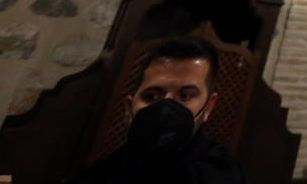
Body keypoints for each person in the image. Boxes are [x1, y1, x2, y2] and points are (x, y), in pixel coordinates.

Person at [66, 36, 246, 184]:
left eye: (185, 96)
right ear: (129, 108)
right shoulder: (97, 177)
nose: (166, 108)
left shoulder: (224, 177)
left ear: (208, 107)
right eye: (151, 96)